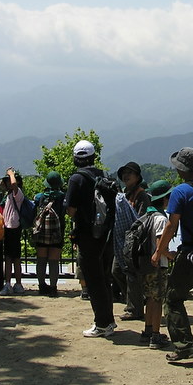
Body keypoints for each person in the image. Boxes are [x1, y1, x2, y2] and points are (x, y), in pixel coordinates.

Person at [152, 147, 193, 362]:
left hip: (191, 253)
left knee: (172, 298)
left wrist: (159, 251)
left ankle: (183, 346)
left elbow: (172, 226)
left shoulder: (181, 191)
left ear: (181, 169)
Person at [66, 140, 117, 338]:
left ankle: (102, 323)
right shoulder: (103, 175)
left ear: (75, 158)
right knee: (104, 278)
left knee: (93, 279)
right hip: (106, 233)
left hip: (88, 234)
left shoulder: (76, 179)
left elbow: (71, 210)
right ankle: (109, 320)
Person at [139, 180, 174, 349]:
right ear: (165, 200)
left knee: (150, 298)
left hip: (145, 265)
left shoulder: (147, 216)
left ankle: (147, 331)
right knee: (158, 299)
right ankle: (155, 335)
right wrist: (170, 255)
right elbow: (161, 244)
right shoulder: (160, 219)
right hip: (158, 265)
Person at [114, 161, 149, 321]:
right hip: (122, 240)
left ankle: (134, 308)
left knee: (131, 274)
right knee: (117, 271)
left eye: (130, 173)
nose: (126, 176)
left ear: (137, 176)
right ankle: (135, 299)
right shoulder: (123, 194)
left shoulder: (141, 195)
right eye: (124, 173)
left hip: (134, 241)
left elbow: (141, 218)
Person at [32, 171, 66, 297]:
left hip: (41, 232)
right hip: (57, 232)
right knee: (53, 261)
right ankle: (53, 288)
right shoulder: (62, 197)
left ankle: (41, 286)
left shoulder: (39, 197)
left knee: (41, 260)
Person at [0, 168, 26, 295]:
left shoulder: (17, 193)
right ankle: (12, 284)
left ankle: (13, 284)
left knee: (12, 258)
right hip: (9, 228)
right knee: (11, 257)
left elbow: (14, 184)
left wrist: (10, 173)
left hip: (13, 228)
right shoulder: (9, 195)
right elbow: (2, 187)